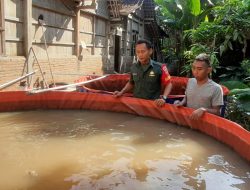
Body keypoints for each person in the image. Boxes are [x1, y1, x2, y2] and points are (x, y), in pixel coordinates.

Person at [113, 39, 172, 107]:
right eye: (138, 52)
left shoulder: (160, 67)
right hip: (136, 105)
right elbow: (131, 83)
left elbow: (169, 84)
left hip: (153, 106)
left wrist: (164, 98)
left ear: (150, 51)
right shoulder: (134, 67)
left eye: (143, 51)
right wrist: (121, 92)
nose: (140, 54)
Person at [174, 53, 224, 119]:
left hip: (205, 125)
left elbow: (218, 112)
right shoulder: (190, 81)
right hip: (188, 120)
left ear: (209, 70)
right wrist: (181, 103)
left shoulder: (216, 88)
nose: (195, 72)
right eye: (193, 68)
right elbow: (186, 97)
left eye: (199, 69)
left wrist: (204, 110)